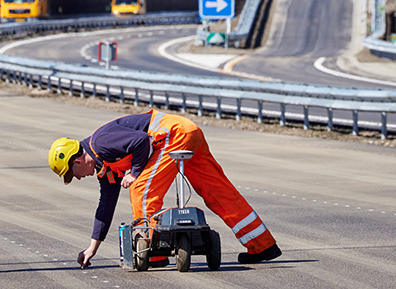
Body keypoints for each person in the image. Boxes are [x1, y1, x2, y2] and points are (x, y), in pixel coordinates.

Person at [48, 110, 281, 268]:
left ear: (77, 161)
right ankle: (262, 246)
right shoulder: (103, 166)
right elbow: (105, 206)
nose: (76, 179)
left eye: (71, 175)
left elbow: (141, 142)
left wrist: (135, 172)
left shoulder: (101, 143)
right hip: (190, 132)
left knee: (141, 190)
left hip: (173, 135)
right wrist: (92, 247)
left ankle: (154, 253)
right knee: (218, 192)